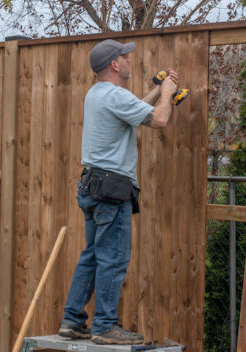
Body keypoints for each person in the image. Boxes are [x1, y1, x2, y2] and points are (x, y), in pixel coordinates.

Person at [58, 39, 179, 345]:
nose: (129, 61)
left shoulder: (98, 94)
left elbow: (133, 109)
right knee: (113, 258)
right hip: (112, 191)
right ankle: (105, 326)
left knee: (93, 256)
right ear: (114, 64)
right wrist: (167, 94)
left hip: (92, 187)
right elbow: (160, 119)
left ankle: (73, 320)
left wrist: (157, 90)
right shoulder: (114, 96)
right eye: (125, 57)